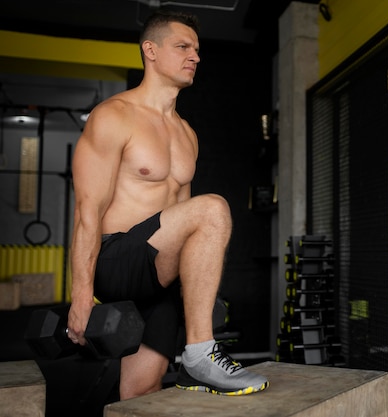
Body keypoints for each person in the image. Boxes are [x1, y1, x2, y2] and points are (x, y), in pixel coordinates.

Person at [66, 9, 268, 400]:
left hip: (157, 274)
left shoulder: (187, 133)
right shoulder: (114, 116)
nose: (195, 56)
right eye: (182, 46)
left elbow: (182, 222)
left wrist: (196, 296)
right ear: (151, 51)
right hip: (117, 260)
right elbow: (86, 211)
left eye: (197, 49)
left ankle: (195, 349)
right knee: (213, 208)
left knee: (141, 391)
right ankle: (201, 354)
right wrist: (80, 294)